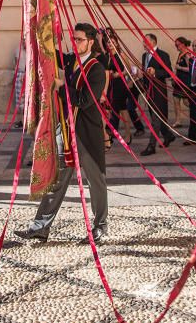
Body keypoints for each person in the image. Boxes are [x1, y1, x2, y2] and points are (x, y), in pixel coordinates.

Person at [15, 23, 109, 243]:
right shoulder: (70, 61)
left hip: (87, 134)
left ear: (91, 42)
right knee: (57, 181)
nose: (75, 43)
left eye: (80, 40)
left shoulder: (97, 67)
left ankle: (100, 227)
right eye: (74, 39)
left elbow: (86, 100)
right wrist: (40, 31)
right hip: (65, 132)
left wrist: (61, 86)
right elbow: (49, 52)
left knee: (96, 181)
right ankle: (40, 226)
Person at [102, 29, 143, 142]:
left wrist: (117, 74)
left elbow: (128, 70)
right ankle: (109, 134)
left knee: (123, 110)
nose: (110, 44)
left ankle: (128, 135)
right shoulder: (106, 56)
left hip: (120, 85)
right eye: (108, 43)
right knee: (110, 110)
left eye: (112, 42)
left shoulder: (121, 54)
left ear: (116, 43)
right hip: (109, 85)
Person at [139, 34, 173, 156]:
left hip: (159, 91)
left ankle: (151, 145)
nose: (143, 44)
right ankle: (168, 135)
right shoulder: (144, 56)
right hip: (149, 91)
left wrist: (155, 73)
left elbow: (168, 72)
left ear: (153, 42)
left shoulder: (163, 55)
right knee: (157, 116)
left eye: (145, 41)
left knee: (156, 119)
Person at [172, 36, 192, 132]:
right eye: (175, 44)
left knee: (186, 102)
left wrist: (179, 68)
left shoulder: (187, 54)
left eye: (177, 44)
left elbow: (190, 69)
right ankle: (178, 120)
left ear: (183, 44)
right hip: (178, 81)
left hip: (185, 81)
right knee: (176, 100)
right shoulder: (180, 54)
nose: (176, 46)